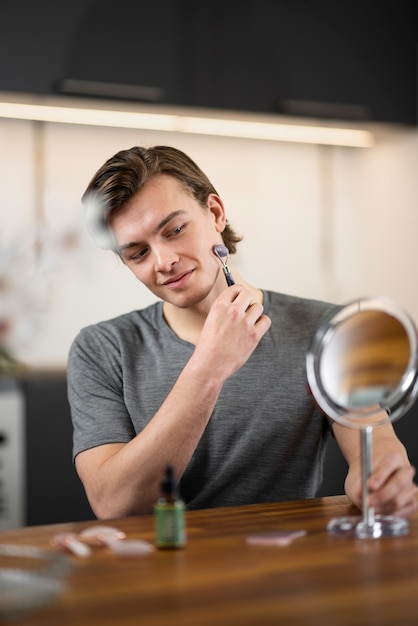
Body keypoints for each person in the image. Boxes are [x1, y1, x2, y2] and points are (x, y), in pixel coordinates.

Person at [68, 145, 417, 520]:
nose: (163, 261)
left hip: (283, 564)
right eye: (138, 253)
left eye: (175, 230)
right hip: (157, 569)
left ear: (215, 213)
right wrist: (210, 365)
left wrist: (379, 482)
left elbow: (374, 449)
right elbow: (114, 504)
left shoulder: (326, 330)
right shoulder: (102, 349)